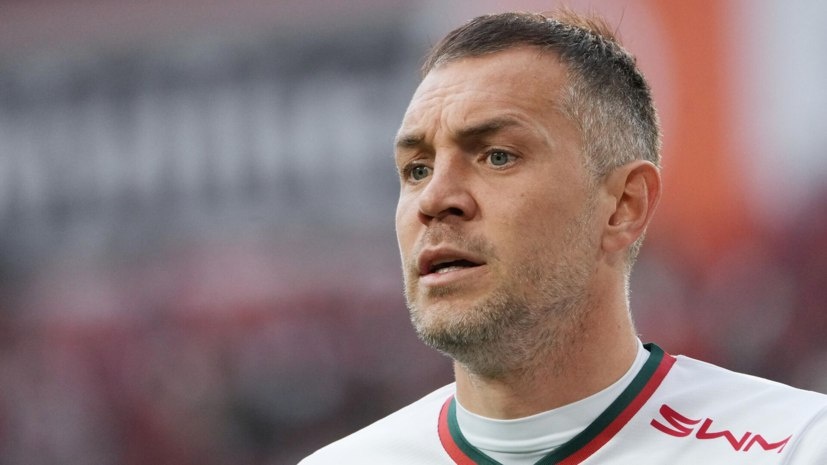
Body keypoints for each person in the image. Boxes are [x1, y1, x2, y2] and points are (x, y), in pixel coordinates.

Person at [300, 10, 827, 464]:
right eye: (417, 169)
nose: (435, 199)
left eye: (497, 156)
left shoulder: (793, 447)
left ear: (624, 206)